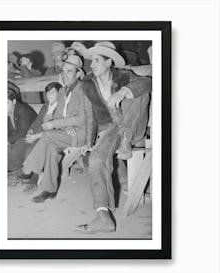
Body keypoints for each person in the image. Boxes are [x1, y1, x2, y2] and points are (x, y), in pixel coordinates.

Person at [76, 41, 152, 234]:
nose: (91, 64)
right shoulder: (88, 84)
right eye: (90, 60)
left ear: (109, 62)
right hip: (110, 130)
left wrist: (124, 90)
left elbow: (148, 81)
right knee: (95, 159)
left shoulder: (124, 75)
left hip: (133, 127)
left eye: (96, 60)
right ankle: (103, 217)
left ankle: (126, 140)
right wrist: (88, 142)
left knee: (137, 91)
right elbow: (90, 115)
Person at [18, 55, 94, 202]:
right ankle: (49, 189)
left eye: (69, 72)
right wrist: (58, 122)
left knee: (47, 136)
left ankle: (28, 169)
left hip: (80, 135)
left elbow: (81, 118)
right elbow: (57, 116)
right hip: (66, 132)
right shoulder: (62, 91)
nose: (65, 75)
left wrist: (57, 124)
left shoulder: (84, 89)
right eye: (63, 72)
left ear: (78, 74)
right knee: (51, 149)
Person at [8, 81, 38, 173]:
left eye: (6, 103)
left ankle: (15, 171)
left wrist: (8, 141)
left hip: (31, 136)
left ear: (14, 101)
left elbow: (22, 132)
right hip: (18, 136)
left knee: (15, 150)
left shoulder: (23, 110)